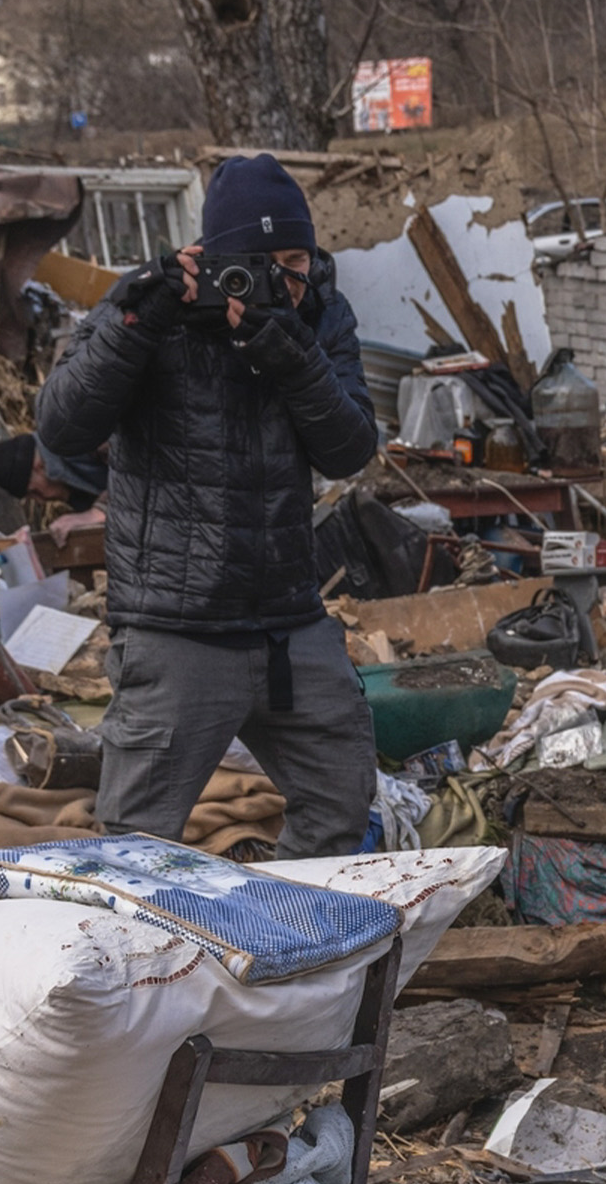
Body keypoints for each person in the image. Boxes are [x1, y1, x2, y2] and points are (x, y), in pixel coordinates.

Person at [37, 153, 380, 858]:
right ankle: (151, 970)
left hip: (290, 621)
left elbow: (348, 449)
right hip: (175, 625)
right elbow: (63, 428)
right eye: (259, 263)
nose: (284, 280)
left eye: (298, 257)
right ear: (214, 258)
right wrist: (139, 321)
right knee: (134, 850)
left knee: (341, 809)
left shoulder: (319, 314)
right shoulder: (147, 307)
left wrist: (291, 355)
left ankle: (285, 948)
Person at [0, 431, 108, 541]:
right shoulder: (72, 487)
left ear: (39, 467)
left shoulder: (84, 434)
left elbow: (131, 466)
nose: (42, 500)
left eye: (35, 492)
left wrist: (97, 512)